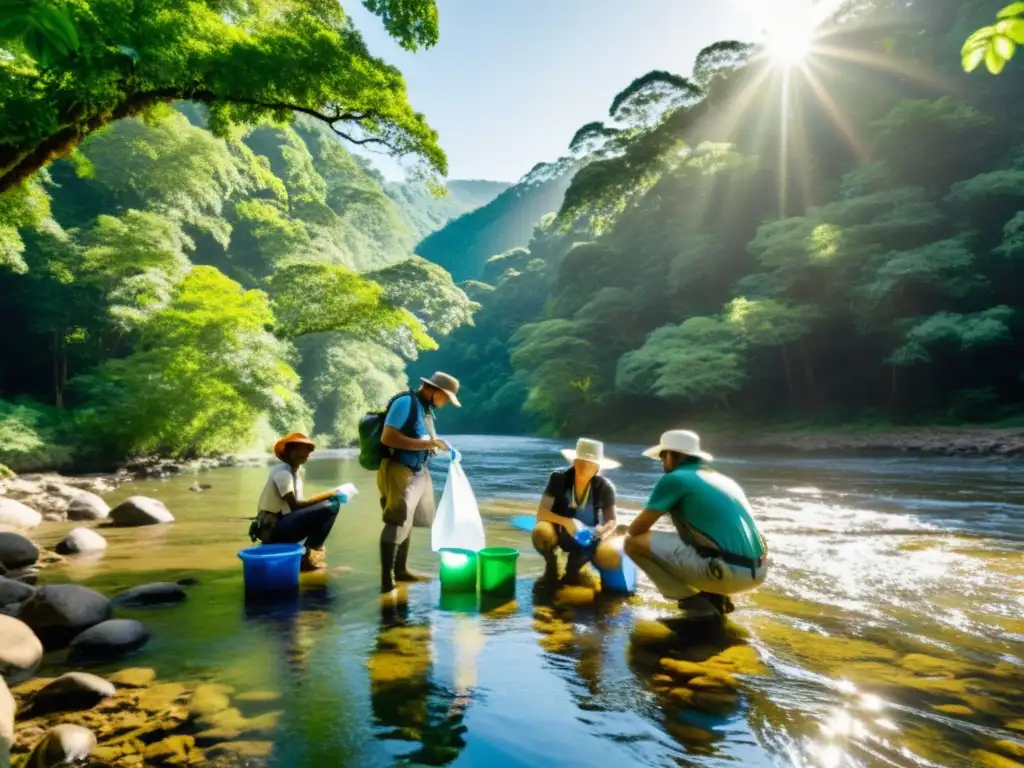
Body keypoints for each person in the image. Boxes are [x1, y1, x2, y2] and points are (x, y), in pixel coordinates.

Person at [623, 430, 768, 620]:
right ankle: (716, 597)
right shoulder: (722, 479)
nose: (661, 462)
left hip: (727, 572)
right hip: (757, 571)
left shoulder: (675, 479)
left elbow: (636, 530)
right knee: (698, 538)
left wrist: (623, 529)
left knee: (633, 543)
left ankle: (692, 602)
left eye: (662, 456)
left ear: (672, 456)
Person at [378, 371, 460, 593]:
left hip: (418, 470)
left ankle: (401, 570)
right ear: (433, 390)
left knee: (410, 518)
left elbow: (422, 439)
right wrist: (428, 445)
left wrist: (436, 445)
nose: (445, 404)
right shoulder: (406, 402)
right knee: (397, 519)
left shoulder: (426, 410)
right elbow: (388, 437)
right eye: (446, 398)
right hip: (398, 469)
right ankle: (387, 579)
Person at [533, 438, 620, 585]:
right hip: (559, 532)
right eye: (580, 462)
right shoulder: (558, 480)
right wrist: (567, 522)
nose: (584, 467)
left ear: (597, 467)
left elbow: (612, 520)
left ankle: (576, 569)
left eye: (590, 464)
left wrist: (604, 530)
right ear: (573, 461)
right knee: (540, 531)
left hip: (587, 537)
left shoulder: (604, 487)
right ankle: (552, 566)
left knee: (572, 577)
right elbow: (541, 513)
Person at [256, 433, 341, 572]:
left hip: (281, 525)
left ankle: (311, 554)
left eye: (308, 450)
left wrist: (326, 497)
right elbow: (295, 506)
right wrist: (326, 495)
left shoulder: (294, 473)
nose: (307, 453)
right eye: (302, 449)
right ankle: (308, 558)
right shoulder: (283, 473)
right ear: (290, 452)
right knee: (330, 507)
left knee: (331, 504)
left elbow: (299, 508)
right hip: (273, 530)